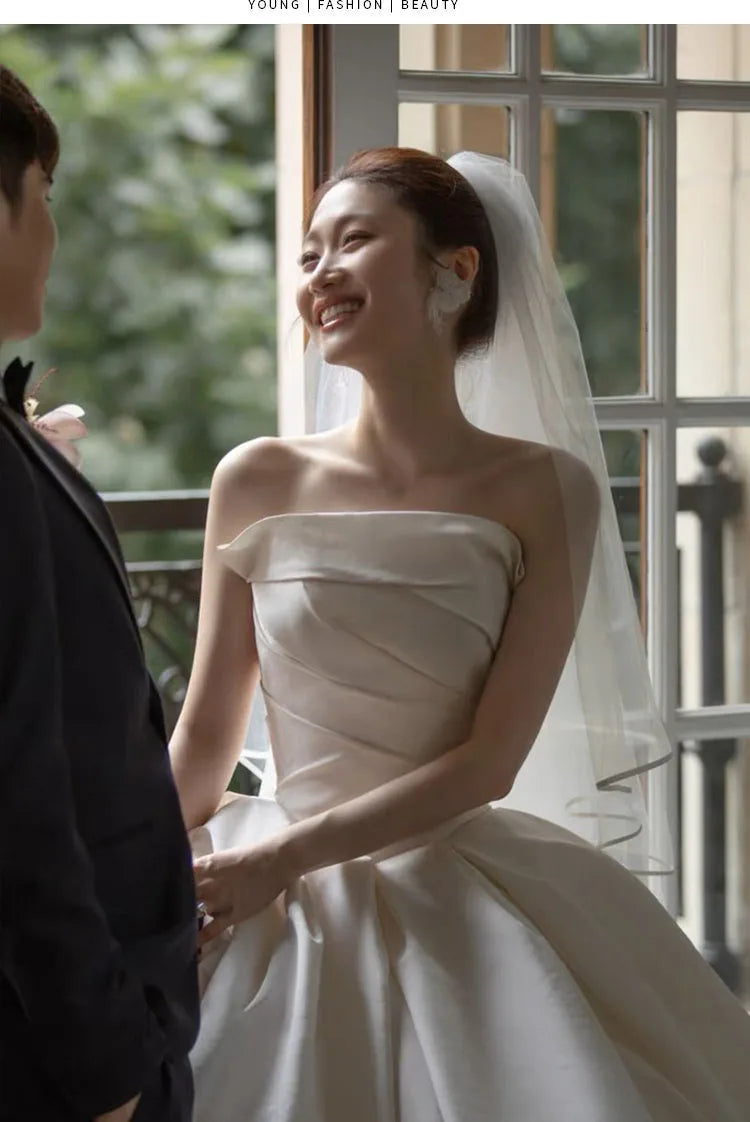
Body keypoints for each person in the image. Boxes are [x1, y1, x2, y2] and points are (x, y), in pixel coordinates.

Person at [171, 146, 750, 1121]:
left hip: (447, 870)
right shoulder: (255, 476)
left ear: (457, 270)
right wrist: (121, 870)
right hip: (263, 884)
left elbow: (489, 761)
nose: (318, 274)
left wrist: (287, 859)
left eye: (353, 242)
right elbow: (203, 741)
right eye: (308, 254)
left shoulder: (544, 488)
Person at [0, 66, 199, 1122]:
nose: (52, 232)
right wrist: (107, 1064)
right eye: (46, 196)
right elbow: (16, 794)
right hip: (54, 1053)